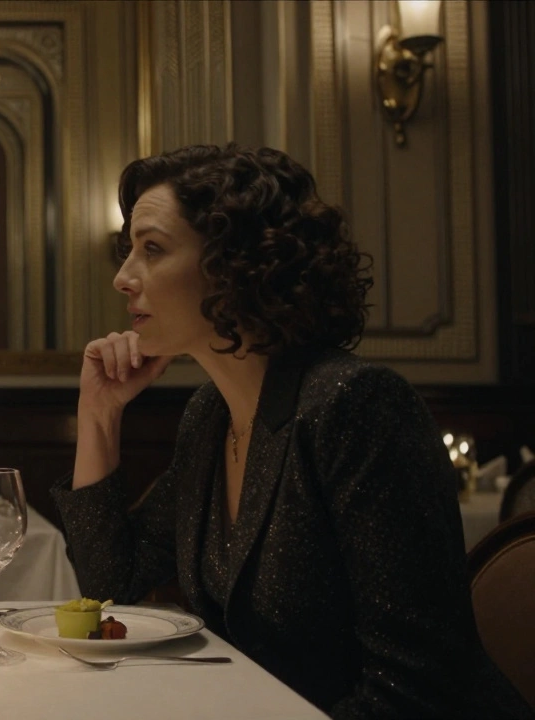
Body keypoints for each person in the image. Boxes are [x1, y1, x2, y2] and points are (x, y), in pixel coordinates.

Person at [52, 144, 533, 719]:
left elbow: (417, 687)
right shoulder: (210, 416)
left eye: (151, 249)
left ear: (234, 266)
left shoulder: (355, 407)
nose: (123, 278)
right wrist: (99, 414)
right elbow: (112, 585)